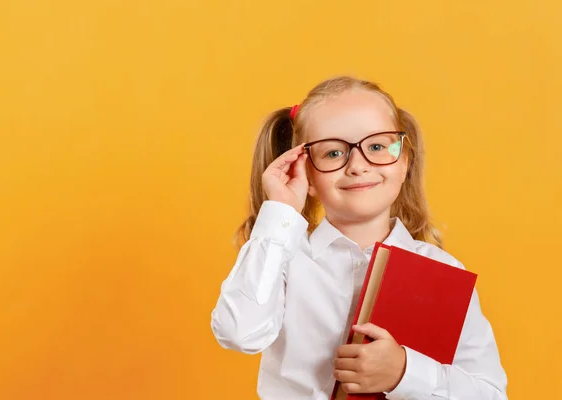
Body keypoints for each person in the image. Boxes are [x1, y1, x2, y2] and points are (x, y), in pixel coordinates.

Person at [210, 75, 508, 399]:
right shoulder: (283, 259)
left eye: (377, 146)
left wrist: (404, 373)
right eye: (334, 153)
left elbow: (489, 393)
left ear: (405, 161)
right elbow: (239, 333)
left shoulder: (443, 271)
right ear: (306, 174)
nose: (358, 165)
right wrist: (280, 212)